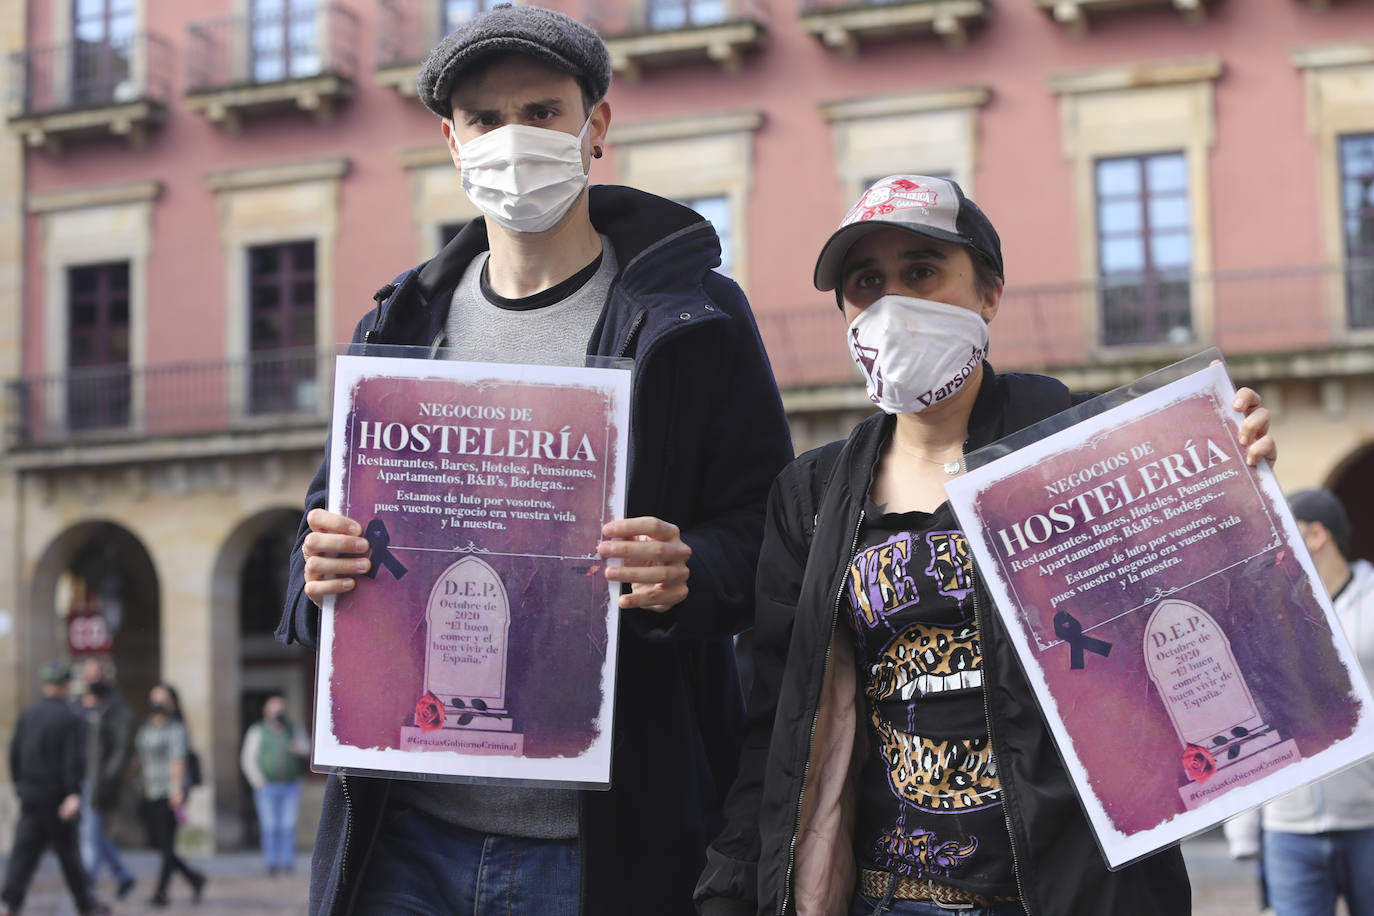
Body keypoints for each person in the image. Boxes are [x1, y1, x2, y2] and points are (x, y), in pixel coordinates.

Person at [275, 5, 792, 914]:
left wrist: (689, 569)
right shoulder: (399, 328)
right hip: (405, 838)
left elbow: (769, 533)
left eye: (543, 112)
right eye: (484, 118)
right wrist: (312, 572)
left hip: (602, 846)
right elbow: (320, 538)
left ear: (595, 125)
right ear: (451, 139)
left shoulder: (694, 322)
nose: (513, 138)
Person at [694, 175, 1279, 916]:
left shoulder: (1084, 446)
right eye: (865, 282)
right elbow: (777, 721)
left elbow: (1213, 608)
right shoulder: (810, 497)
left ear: (990, 293)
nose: (892, 302)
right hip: (889, 897)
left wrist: (1237, 489)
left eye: (922, 271)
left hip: (1065, 894)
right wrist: (731, 884)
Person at [1222, 489, 1374, 916]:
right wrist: (1244, 830)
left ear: (1317, 535)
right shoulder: (1266, 612)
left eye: (1281, 533)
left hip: (1370, 821)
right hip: (1288, 829)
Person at [1, 662, 107, 916]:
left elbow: (13, 754)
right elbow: (74, 759)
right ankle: (85, 903)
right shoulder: (72, 716)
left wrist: (20, 786)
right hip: (59, 796)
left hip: (32, 795)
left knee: (23, 853)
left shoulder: (27, 713)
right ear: (66, 684)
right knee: (69, 854)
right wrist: (73, 793)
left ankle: (9, 903)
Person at [134, 683, 206, 907]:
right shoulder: (147, 727)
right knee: (159, 844)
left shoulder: (176, 728)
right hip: (149, 790)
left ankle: (161, 894)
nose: (157, 704)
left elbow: (178, 760)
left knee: (166, 845)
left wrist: (176, 790)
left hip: (170, 792)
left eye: (162, 699)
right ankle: (194, 878)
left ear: (172, 703)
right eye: (154, 698)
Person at [77, 658, 136, 900]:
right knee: (92, 832)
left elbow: (120, 749)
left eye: (96, 675)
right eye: (88, 675)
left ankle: (87, 883)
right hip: (78, 776)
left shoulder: (115, 707)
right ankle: (122, 875)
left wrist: (108, 778)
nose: (92, 680)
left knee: (89, 833)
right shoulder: (78, 705)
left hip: (98, 779)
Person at [240, 694, 310, 876]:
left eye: (281, 710)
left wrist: (298, 747)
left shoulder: (293, 729)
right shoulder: (257, 730)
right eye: (275, 711)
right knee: (270, 826)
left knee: (288, 826)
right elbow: (248, 758)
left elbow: (307, 748)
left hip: (290, 785)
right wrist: (257, 781)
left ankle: (287, 863)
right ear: (266, 713)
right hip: (267, 787)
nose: (278, 714)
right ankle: (271, 864)